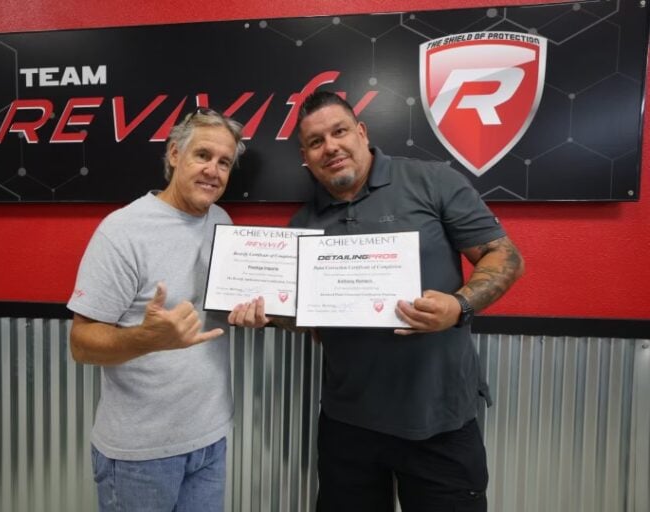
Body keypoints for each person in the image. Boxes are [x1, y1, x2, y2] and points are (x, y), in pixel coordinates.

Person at [228, 90, 524, 512]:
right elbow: (306, 317)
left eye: (339, 131)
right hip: (347, 429)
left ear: (361, 133)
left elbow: (506, 257)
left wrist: (459, 306)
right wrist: (268, 315)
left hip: (438, 422)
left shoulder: (431, 180)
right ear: (306, 158)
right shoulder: (303, 225)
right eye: (316, 142)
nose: (330, 146)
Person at [67, 107, 245, 512]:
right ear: (174, 154)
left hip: (210, 439)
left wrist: (255, 315)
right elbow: (81, 343)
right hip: (140, 453)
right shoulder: (122, 231)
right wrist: (147, 339)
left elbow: (226, 307)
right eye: (203, 155)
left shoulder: (223, 221)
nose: (213, 171)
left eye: (224, 162)